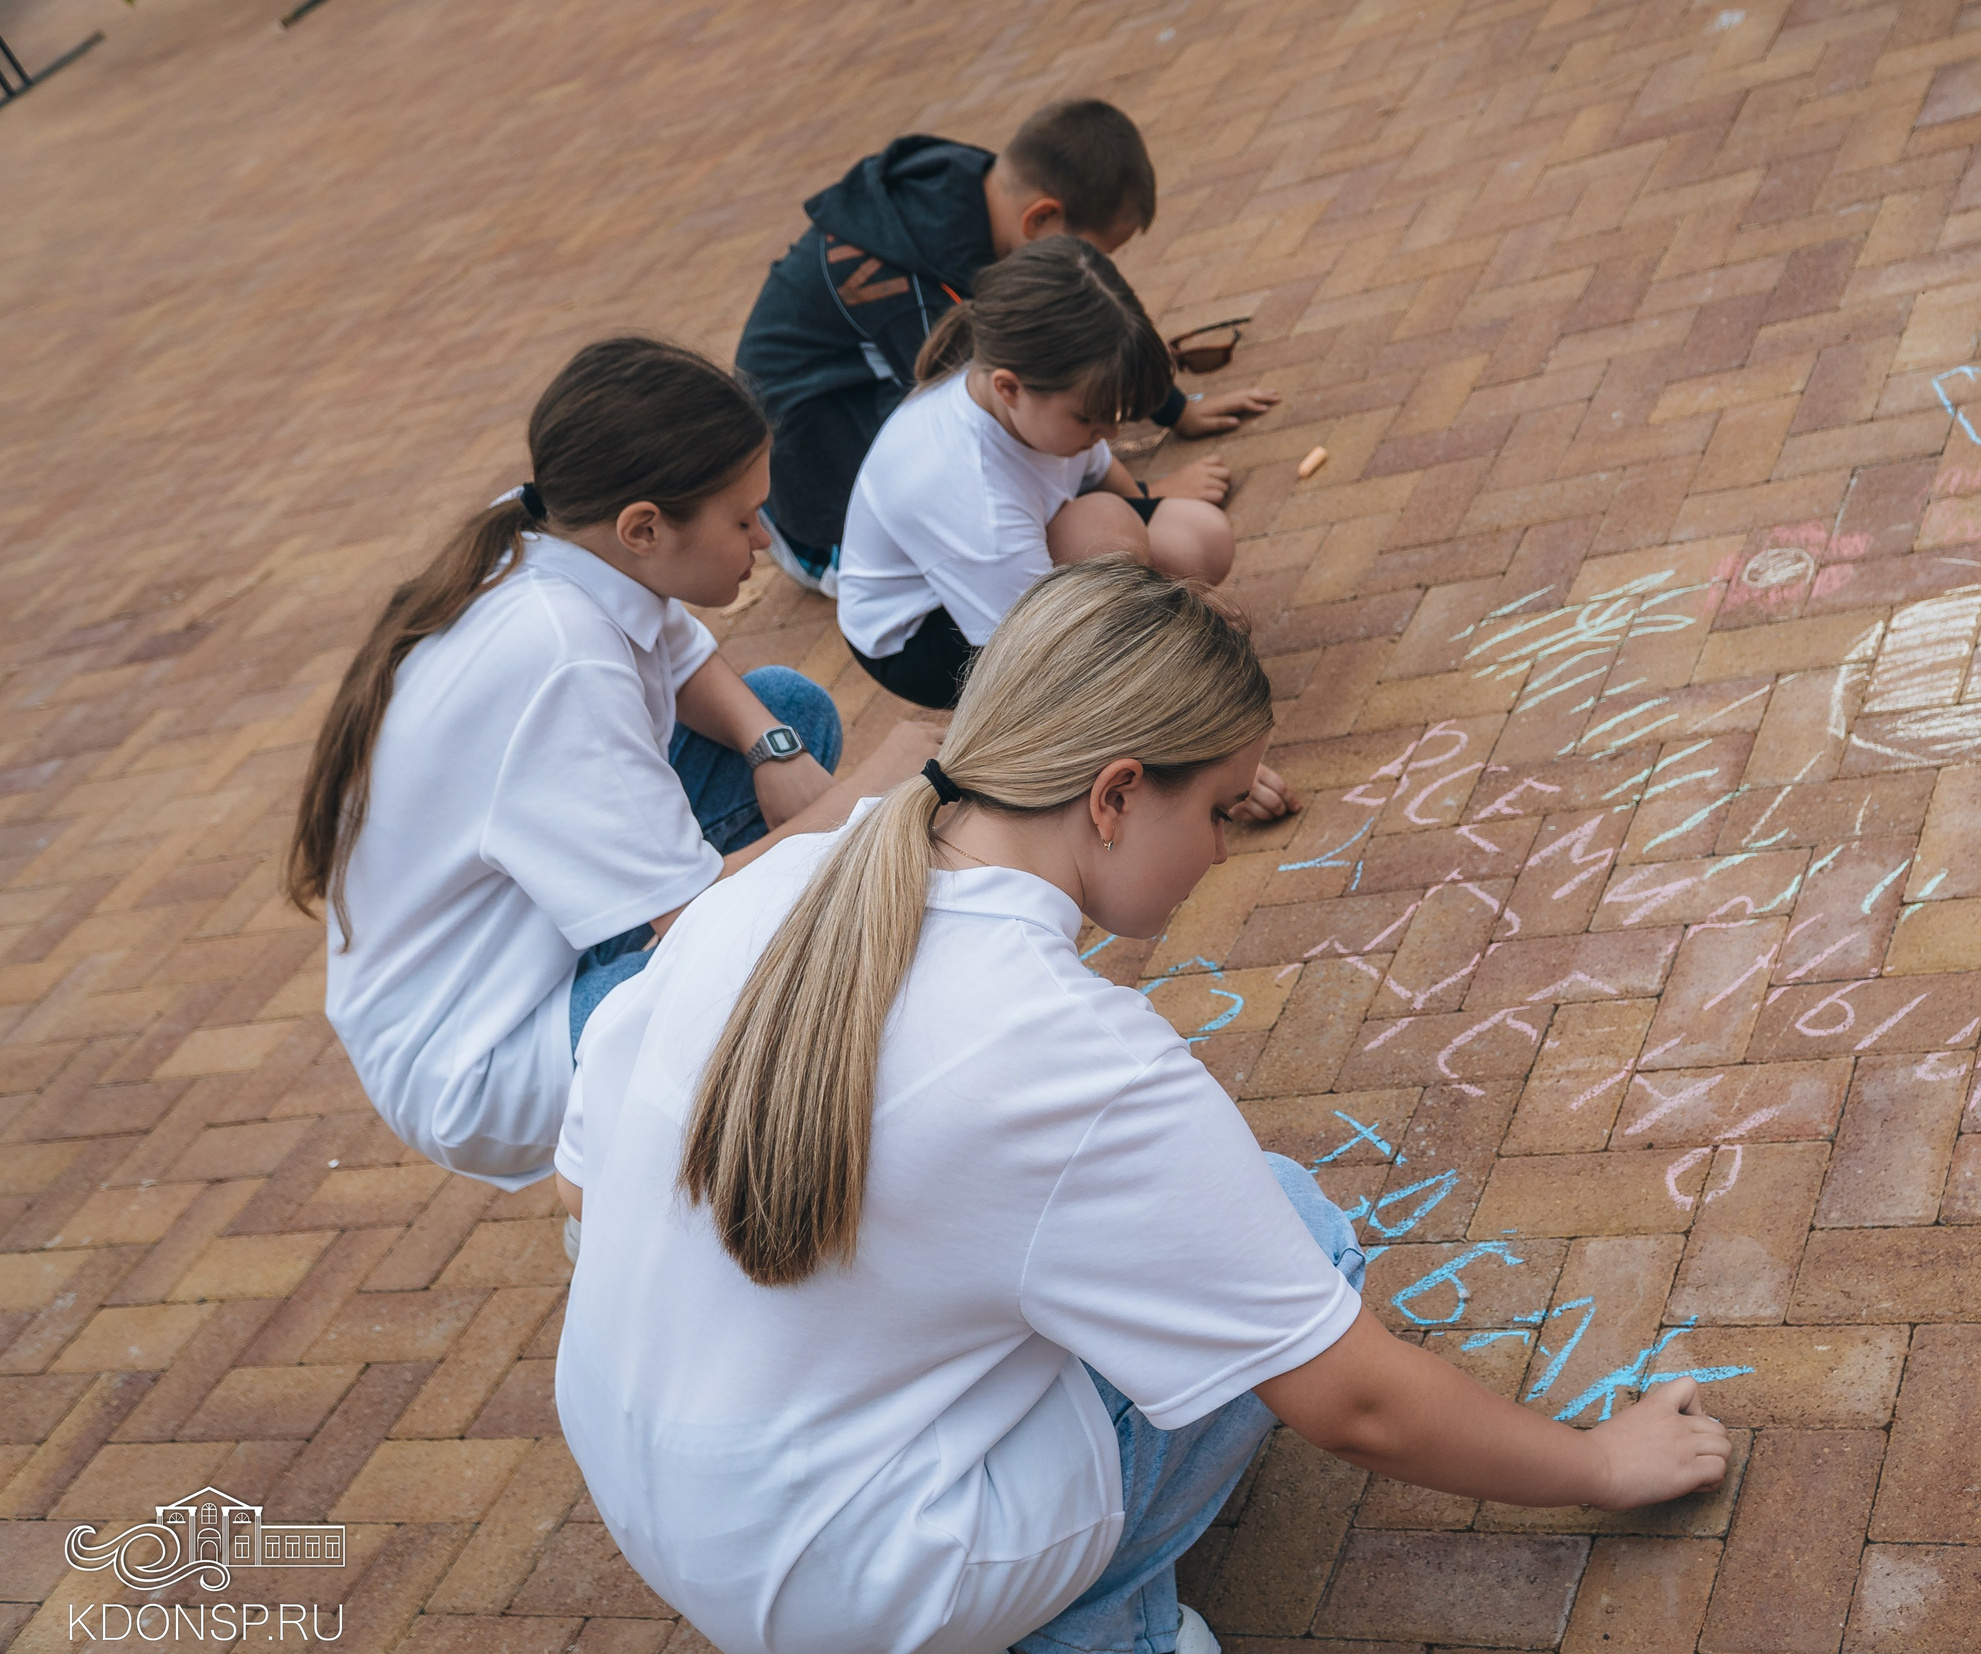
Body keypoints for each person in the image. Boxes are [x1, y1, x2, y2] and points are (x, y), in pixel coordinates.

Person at [551, 559, 1730, 1654]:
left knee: (1097, 1253)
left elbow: (579, 1197)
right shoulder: (1070, 1053)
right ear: (1113, 796)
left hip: (650, 1485)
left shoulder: (775, 887)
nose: (1220, 848)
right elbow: (1356, 1403)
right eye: (1214, 808)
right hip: (849, 1593)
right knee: (1299, 1231)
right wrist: (1600, 1467)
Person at [286, 336, 934, 1190]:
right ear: (644, 528)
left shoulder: (550, 531)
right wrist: (872, 793)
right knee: (784, 950)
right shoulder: (564, 657)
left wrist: (774, 748)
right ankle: (635, 1191)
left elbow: (684, 656)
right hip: (481, 1056)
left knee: (788, 709)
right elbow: (696, 916)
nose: (765, 538)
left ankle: (671, 1106)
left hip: (518, 950)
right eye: (743, 519)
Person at [734, 98, 1277, 596]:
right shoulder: (910, 293)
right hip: (820, 515)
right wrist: (1144, 494)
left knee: (1050, 425)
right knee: (1040, 464)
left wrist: (1177, 410)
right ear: (1040, 218)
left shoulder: (979, 188)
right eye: (1092, 251)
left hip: (855, 411)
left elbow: (1083, 334)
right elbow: (1005, 408)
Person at [836, 237, 1240, 706]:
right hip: (926, 637)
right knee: (1105, 530)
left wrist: (1177, 599)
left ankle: (1132, 633)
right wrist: (1174, 643)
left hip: (999, 573)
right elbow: (1030, 650)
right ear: (1009, 388)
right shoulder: (969, 492)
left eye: (1116, 416)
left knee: (1200, 535)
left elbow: (1105, 476)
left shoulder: (1037, 397)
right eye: (1091, 419)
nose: (1109, 433)